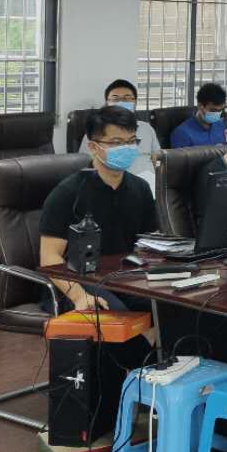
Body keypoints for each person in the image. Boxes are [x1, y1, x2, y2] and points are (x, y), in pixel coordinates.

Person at [39, 107, 159, 313]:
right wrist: (79, 296)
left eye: (131, 141)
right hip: (74, 282)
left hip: (122, 278)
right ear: (93, 147)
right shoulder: (67, 193)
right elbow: (50, 258)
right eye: (116, 143)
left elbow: (147, 244)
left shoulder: (141, 188)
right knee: (114, 313)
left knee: (173, 306)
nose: (126, 149)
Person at [77, 79, 160, 195]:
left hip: (150, 187)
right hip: (113, 186)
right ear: (107, 103)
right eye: (115, 99)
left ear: (135, 102)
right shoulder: (96, 132)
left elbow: (157, 159)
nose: (122, 102)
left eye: (127, 98)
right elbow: (87, 164)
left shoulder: (147, 128)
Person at [170, 82, 227, 148]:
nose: (217, 114)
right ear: (200, 106)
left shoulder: (223, 126)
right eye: (213, 110)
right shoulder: (182, 134)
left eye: (220, 110)